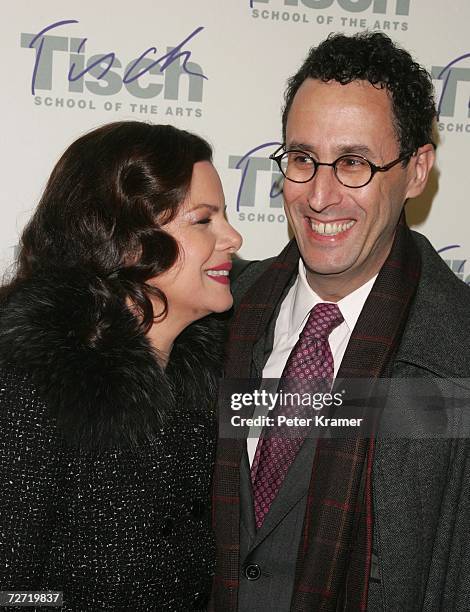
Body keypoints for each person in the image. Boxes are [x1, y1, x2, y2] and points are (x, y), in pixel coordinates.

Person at [211, 32, 470, 611]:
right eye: (302, 159)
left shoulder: (457, 354)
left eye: (353, 163)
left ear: (418, 170)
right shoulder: (218, 317)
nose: (320, 195)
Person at [0, 121, 242, 611]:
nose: (233, 238)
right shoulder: (32, 389)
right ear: (128, 241)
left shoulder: (200, 385)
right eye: (204, 220)